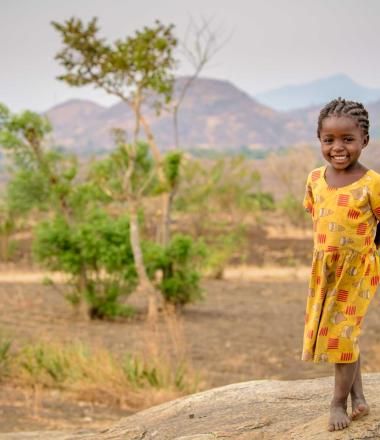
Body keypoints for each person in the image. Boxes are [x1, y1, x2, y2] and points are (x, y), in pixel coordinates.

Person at [301, 97, 380, 431]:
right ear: (319, 140)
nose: (338, 147)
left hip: (358, 270)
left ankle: (337, 403)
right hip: (326, 269)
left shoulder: (373, 183)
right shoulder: (316, 179)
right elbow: (315, 212)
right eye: (328, 139)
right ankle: (358, 396)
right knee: (343, 334)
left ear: (364, 140)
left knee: (341, 333)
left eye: (348, 139)